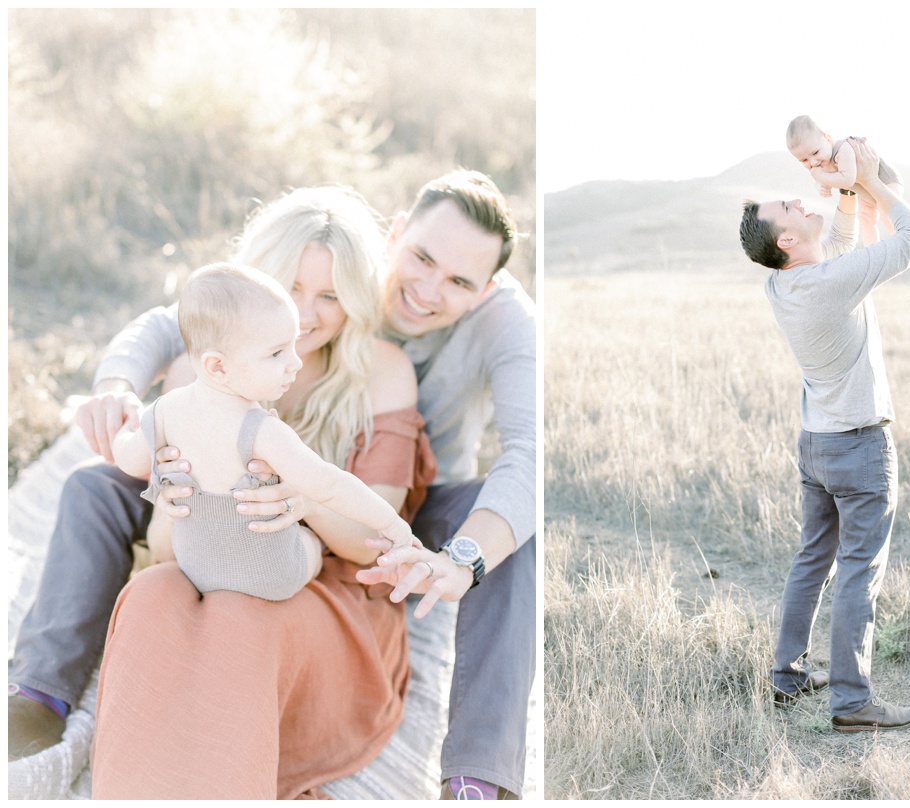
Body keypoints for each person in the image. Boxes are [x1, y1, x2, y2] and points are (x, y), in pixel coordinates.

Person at [11, 170, 536, 799]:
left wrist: (311, 503)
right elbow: (165, 326)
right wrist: (149, 447)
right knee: (134, 561)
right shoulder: (219, 352)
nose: (306, 316)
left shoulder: (428, 352)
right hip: (219, 539)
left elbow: (503, 468)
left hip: (369, 533)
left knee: (511, 531)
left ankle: (476, 777)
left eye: (330, 297)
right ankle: (44, 696)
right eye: (289, 289)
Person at [738, 139, 910, 732]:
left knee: (811, 559)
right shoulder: (828, 283)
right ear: (788, 241)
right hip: (858, 447)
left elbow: (844, 248)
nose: (800, 201)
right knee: (857, 569)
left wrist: (847, 190)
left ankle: (787, 677)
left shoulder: (786, 282)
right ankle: (851, 703)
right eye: (791, 209)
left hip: (817, 446)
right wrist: (871, 182)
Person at [110, 262, 421, 601]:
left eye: (292, 346)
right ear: (218, 366)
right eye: (277, 353)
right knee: (310, 544)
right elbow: (330, 485)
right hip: (271, 577)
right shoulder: (262, 431)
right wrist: (392, 523)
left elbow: (128, 459)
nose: (295, 362)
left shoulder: (164, 411)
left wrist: (125, 424)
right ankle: (311, 555)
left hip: (195, 567)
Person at [786, 115, 904, 245]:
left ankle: (902, 240)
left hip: (885, 180)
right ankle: (873, 248)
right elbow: (823, 180)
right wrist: (821, 185)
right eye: (804, 160)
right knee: (866, 219)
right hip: (866, 191)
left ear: (828, 138)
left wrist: (821, 177)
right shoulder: (821, 161)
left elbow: (847, 180)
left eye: (815, 153)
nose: (813, 162)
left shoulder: (843, 149)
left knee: (889, 214)